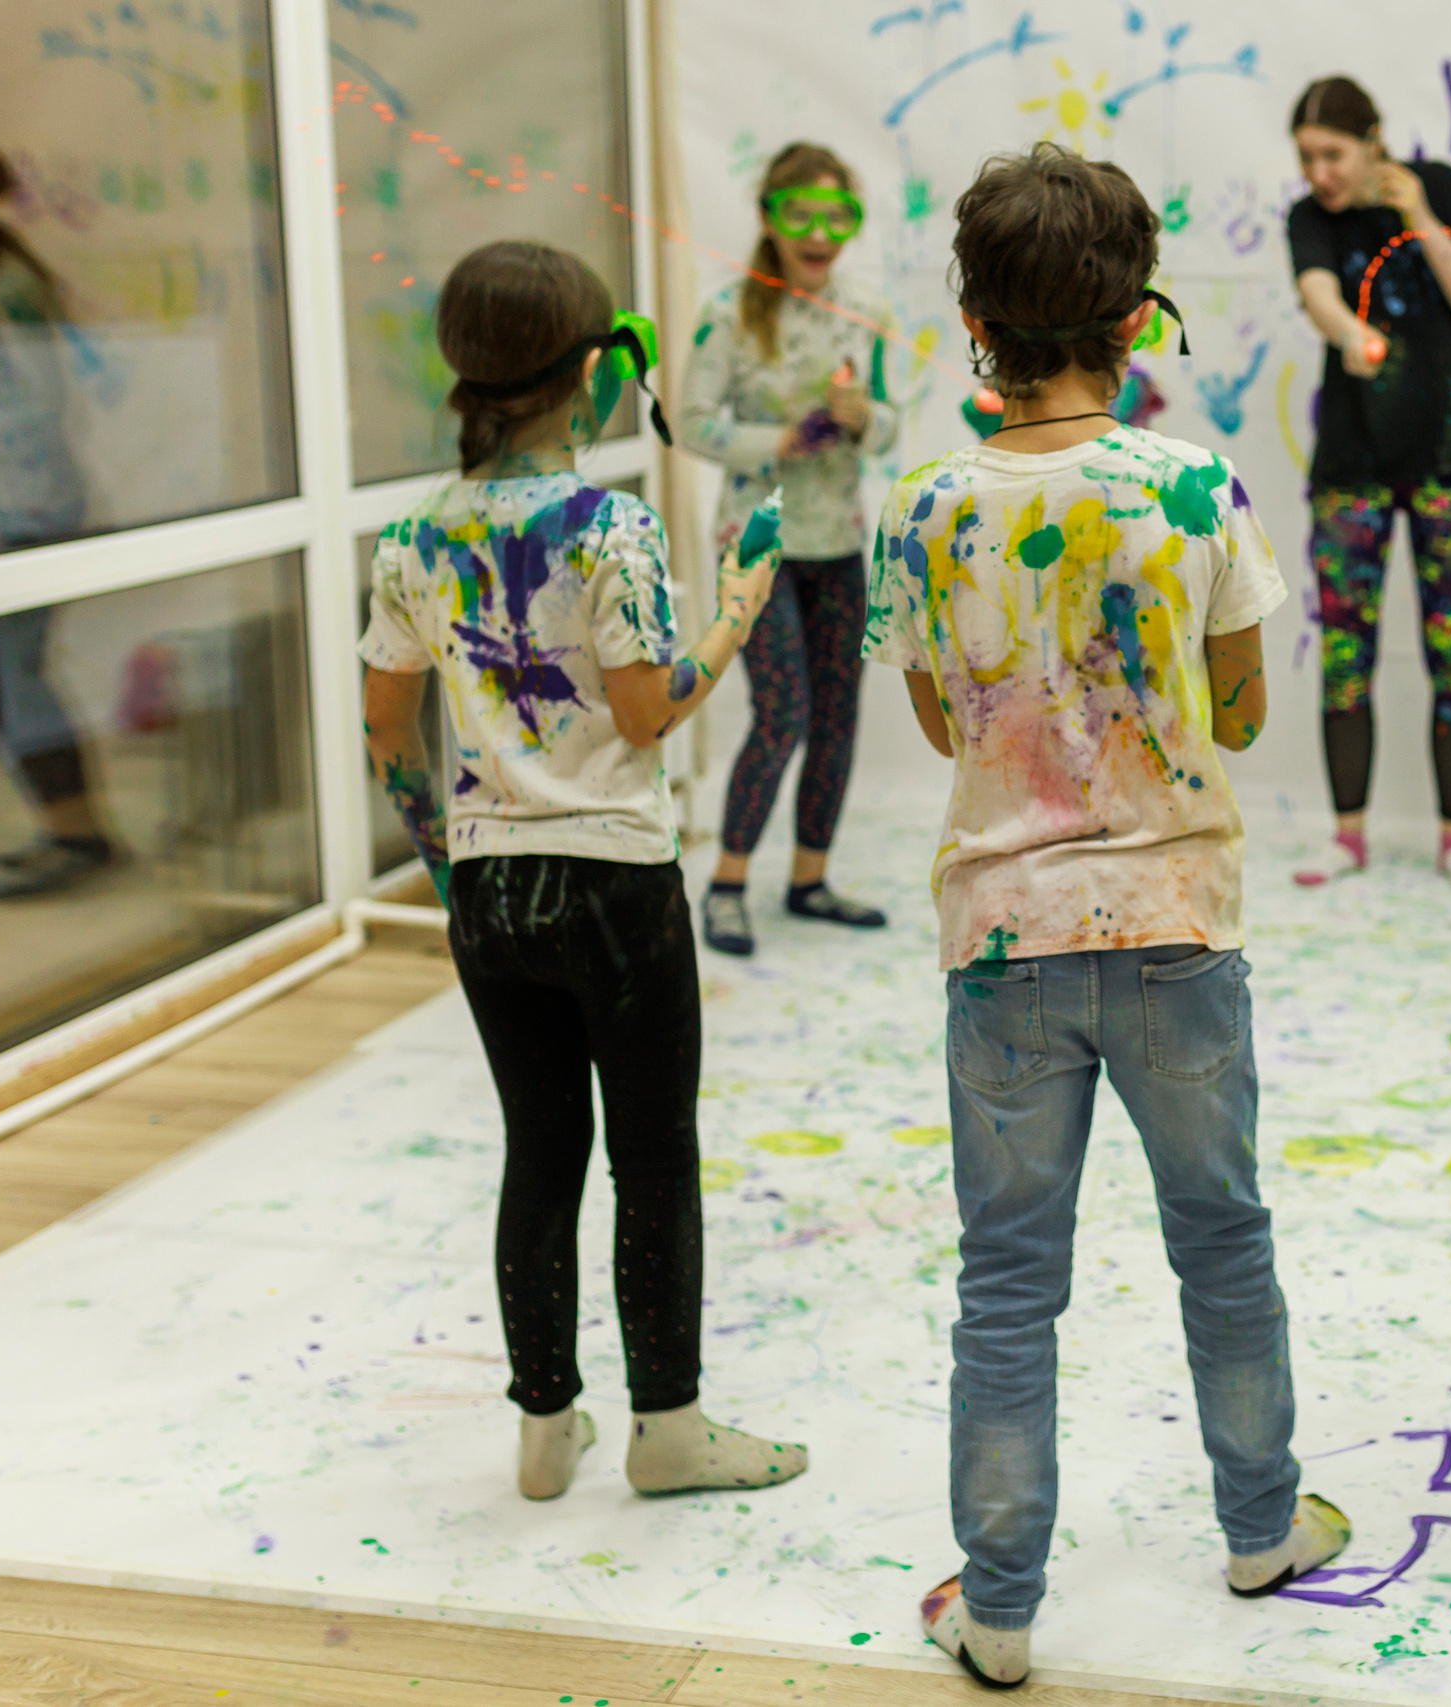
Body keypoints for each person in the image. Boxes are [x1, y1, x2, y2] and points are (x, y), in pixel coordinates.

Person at [866, 143, 1348, 1690]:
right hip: (1175, 922)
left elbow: (946, 727)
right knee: (1224, 1232)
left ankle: (997, 1605)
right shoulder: (1194, 484)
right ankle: (1263, 1521)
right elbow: (1250, 712)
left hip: (1002, 938)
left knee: (1009, 1276)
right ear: (1138, 319)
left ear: (976, 320)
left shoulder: (927, 502)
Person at [359, 239, 807, 1503]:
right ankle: (667, 1427)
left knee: (538, 1149)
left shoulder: (411, 536)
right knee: (651, 1154)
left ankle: (545, 1430)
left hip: (492, 886)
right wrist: (739, 601)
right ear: (589, 380)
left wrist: (446, 865)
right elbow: (651, 713)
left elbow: (392, 733)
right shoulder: (610, 527)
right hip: (613, 878)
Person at [1286, 76, 1451, 895]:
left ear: (1372, 140)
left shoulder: (1438, 186)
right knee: (1347, 656)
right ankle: (1348, 834)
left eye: (1333, 155)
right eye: (1307, 158)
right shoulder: (1309, 219)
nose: (1320, 173)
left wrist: (1421, 219)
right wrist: (1351, 332)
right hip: (1351, 468)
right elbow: (1317, 294)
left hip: (1450, 460)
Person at [679, 142, 896, 955]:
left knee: (838, 716)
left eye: (838, 216)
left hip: (837, 540)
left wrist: (861, 418)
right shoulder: (726, 312)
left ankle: (810, 879)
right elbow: (693, 424)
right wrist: (785, 439)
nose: (819, 232)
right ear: (769, 218)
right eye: (799, 212)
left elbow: (895, 423)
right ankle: (727, 883)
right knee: (783, 714)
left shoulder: (865, 312)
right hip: (757, 541)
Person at [0, 128, 111, 901]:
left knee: (6, 669)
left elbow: (39, 402)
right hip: (6, 501)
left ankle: (77, 834)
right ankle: (70, 827)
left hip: (29, 504)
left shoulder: (2, 280)